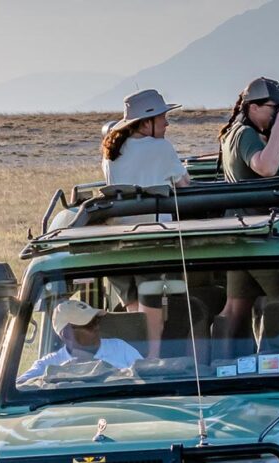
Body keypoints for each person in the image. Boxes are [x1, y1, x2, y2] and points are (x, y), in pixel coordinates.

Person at [100, 88, 190, 358]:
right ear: (146, 122)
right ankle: (152, 359)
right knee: (152, 309)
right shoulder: (160, 148)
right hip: (152, 238)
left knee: (133, 309)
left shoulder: (113, 151)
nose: (167, 123)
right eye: (163, 118)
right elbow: (184, 185)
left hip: (120, 238)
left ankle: (135, 359)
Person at [216, 77, 279, 358]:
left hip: (241, 234)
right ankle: (278, 360)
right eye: (273, 108)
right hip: (256, 235)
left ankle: (220, 364)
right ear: (252, 107)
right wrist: (276, 130)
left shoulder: (241, 132)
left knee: (236, 308)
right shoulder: (245, 134)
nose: (277, 114)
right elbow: (264, 167)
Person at [17, 300, 142, 383]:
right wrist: (60, 372)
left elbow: (147, 375)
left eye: (96, 321)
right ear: (66, 334)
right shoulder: (48, 364)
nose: (96, 327)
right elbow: (19, 387)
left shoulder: (120, 347)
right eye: (88, 324)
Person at [218, 77, 279, 182]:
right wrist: (278, 127)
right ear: (254, 108)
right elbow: (267, 169)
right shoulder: (246, 133)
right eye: (275, 107)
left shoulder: (244, 131)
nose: (278, 112)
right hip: (258, 198)